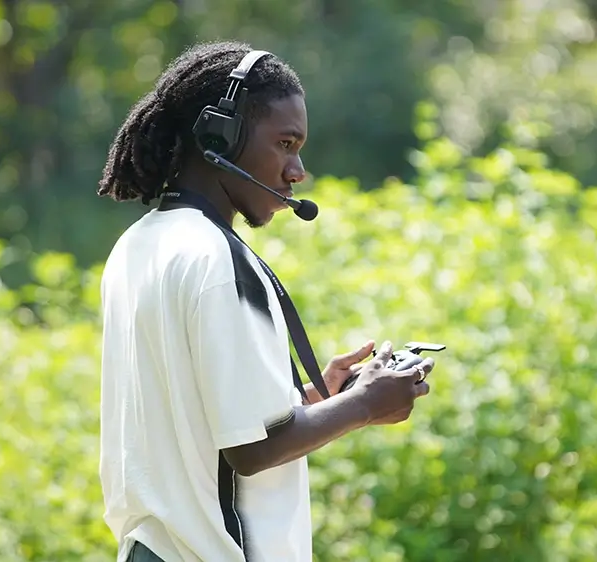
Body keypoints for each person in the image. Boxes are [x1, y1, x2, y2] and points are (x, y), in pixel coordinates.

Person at [95, 40, 435, 562]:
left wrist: (316, 399)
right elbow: (251, 451)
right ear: (219, 135)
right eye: (285, 143)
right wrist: (365, 404)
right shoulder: (218, 259)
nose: (297, 171)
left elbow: (201, 423)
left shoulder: (137, 244)